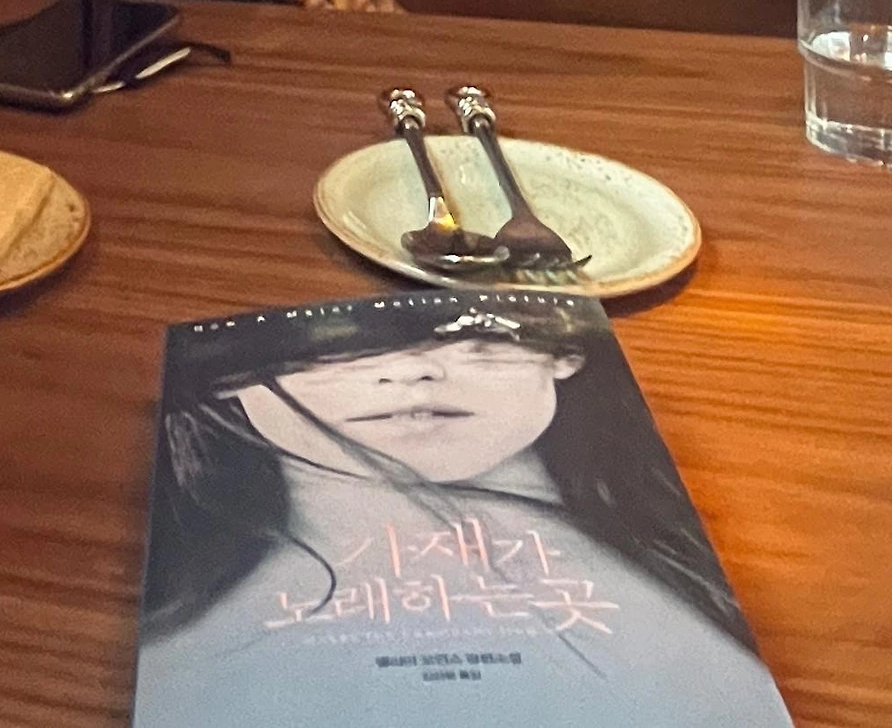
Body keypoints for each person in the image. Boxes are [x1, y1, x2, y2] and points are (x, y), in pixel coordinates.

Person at [132, 292, 794, 728]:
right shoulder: (184, 649)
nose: (413, 372)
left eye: (477, 342)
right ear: (231, 378)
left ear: (563, 354)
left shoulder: (686, 595)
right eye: (331, 350)